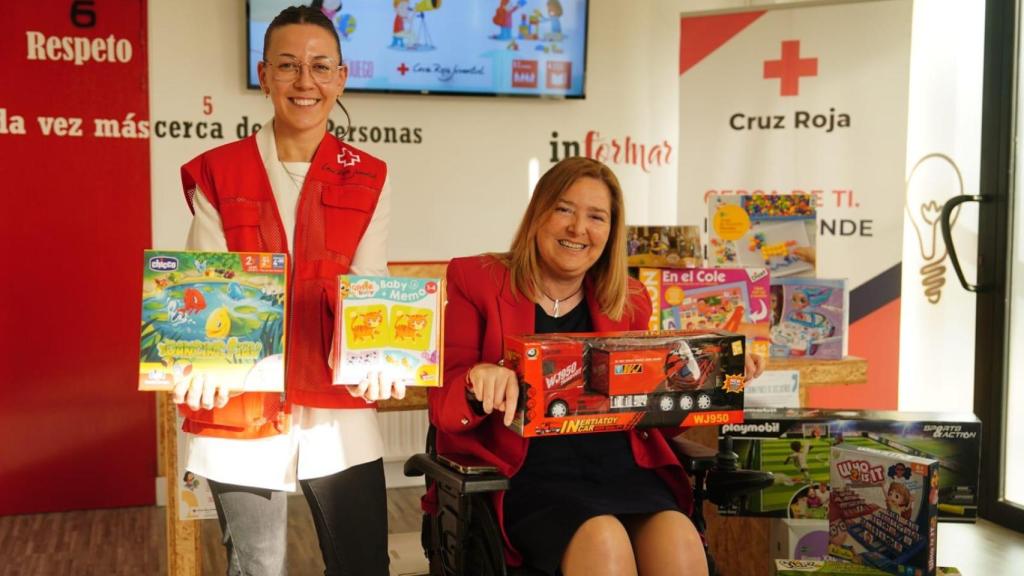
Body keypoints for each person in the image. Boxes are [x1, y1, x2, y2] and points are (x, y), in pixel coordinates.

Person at [429, 157, 765, 576]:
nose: (578, 229)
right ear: (538, 214)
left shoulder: (631, 299)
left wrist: (713, 374)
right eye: (564, 209)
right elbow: (443, 404)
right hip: (528, 475)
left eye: (596, 217)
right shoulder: (477, 280)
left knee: (679, 537)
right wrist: (478, 380)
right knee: (603, 539)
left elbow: (653, 414)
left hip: (621, 468)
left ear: (610, 231)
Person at [173, 6, 401, 575]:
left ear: (342, 77)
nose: (306, 82)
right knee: (256, 567)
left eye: (321, 66)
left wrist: (384, 354)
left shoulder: (369, 176)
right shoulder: (219, 172)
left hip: (336, 409)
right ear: (265, 74)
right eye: (289, 66)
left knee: (363, 564)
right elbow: (207, 286)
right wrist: (197, 355)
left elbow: (371, 288)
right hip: (243, 403)